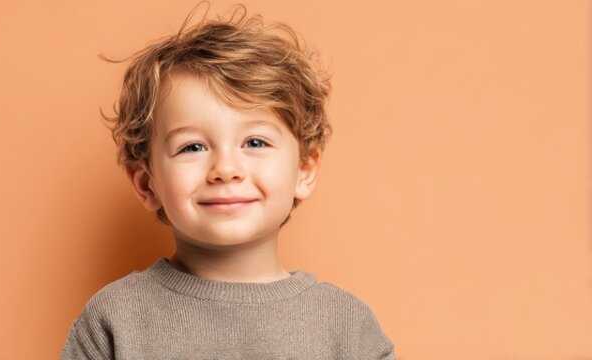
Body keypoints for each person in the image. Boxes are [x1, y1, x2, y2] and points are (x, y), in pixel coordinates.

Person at [61, 3, 395, 359]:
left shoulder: (346, 327)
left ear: (304, 170)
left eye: (255, 142)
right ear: (147, 184)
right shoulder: (114, 320)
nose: (225, 168)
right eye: (192, 146)